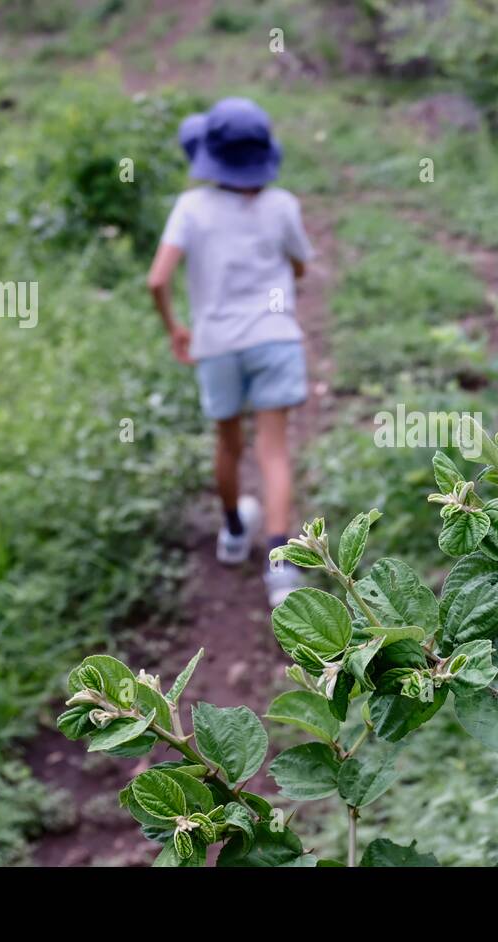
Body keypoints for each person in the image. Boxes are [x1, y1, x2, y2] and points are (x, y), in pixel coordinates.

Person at [146, 97, 313, 608]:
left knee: (228, 445)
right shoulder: (282, 204)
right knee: (274, 451)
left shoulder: (191, 207)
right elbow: (301, 266)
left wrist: (177, 328)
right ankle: (281, 571)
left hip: (216, 344)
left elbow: (157, 279)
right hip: (274, 337)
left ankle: (235, 531)